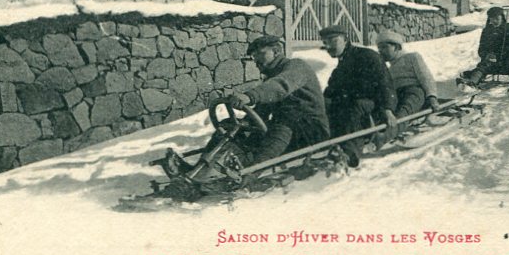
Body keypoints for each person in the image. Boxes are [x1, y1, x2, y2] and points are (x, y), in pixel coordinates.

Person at [162, 35, 330, 179]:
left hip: (311, 131)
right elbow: (262, 111)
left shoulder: (295, 67)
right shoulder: (272, 77)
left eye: (260, 54)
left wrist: (250, 96)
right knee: (232, 125)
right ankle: (199, 171)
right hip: (290, 129)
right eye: (254, 56)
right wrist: (240, 126)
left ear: (277, 51)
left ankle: (249, 176)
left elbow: (280, 87)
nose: (256, 60)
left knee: (282, 126)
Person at [320, 25, 397, 168]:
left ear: (345, 39)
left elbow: (385, 83)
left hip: (373, 106)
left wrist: (388, 109)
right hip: (352, 107)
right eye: (325, 43)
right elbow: (330, 91)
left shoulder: (367, 56)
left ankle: (350, 154)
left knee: (355, 106)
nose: (329, 46)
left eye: (333, 41)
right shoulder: (340, 67)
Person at [373, 31, 439, 149]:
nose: (381, 51)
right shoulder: (388, 68)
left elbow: (425, 77)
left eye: (384, 47)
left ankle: (386, 137)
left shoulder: (412, 57)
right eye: (379, 48)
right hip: (396, 94)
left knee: (404, 111)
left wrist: (432, 97)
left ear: (397, 47)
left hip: (414, 91)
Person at [460, 6, 509, 91]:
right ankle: (472, 83)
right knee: (482, 67)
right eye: (492, 19)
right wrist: (487, 55)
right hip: (492, 61)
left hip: (507, 59)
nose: (494, 21)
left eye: (497, 18)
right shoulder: (487, 31)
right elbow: (481, 49)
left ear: (502, 17)